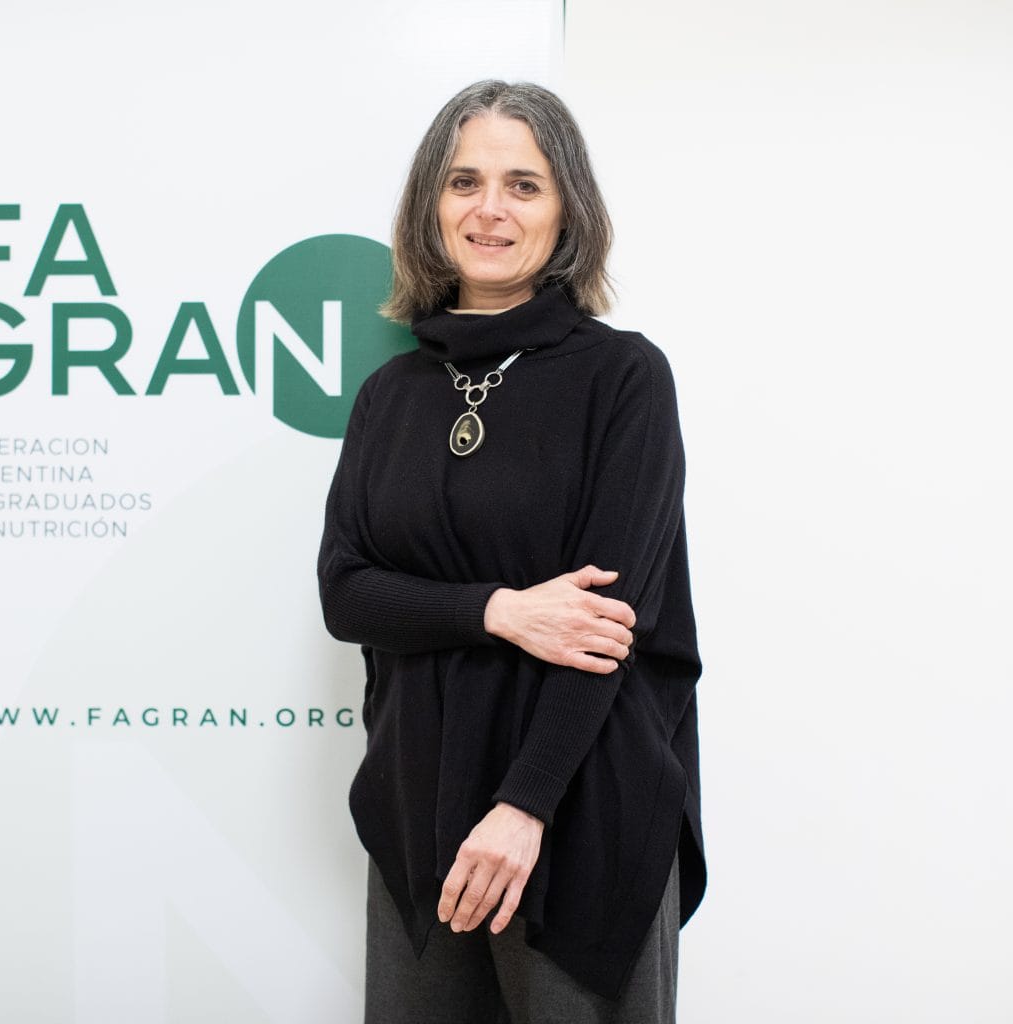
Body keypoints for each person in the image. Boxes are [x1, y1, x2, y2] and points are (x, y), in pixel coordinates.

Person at [317, 79, 704, 1023]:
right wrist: (500, 611)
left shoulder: (624, 378)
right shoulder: (390, 397)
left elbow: (606, 626)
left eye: (523, 185)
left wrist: (525, 806)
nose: (489, 208)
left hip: (582, 807)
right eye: (464, 182)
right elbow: (346, 593)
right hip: (421, 811)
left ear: (568, 209)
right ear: (431, 205)